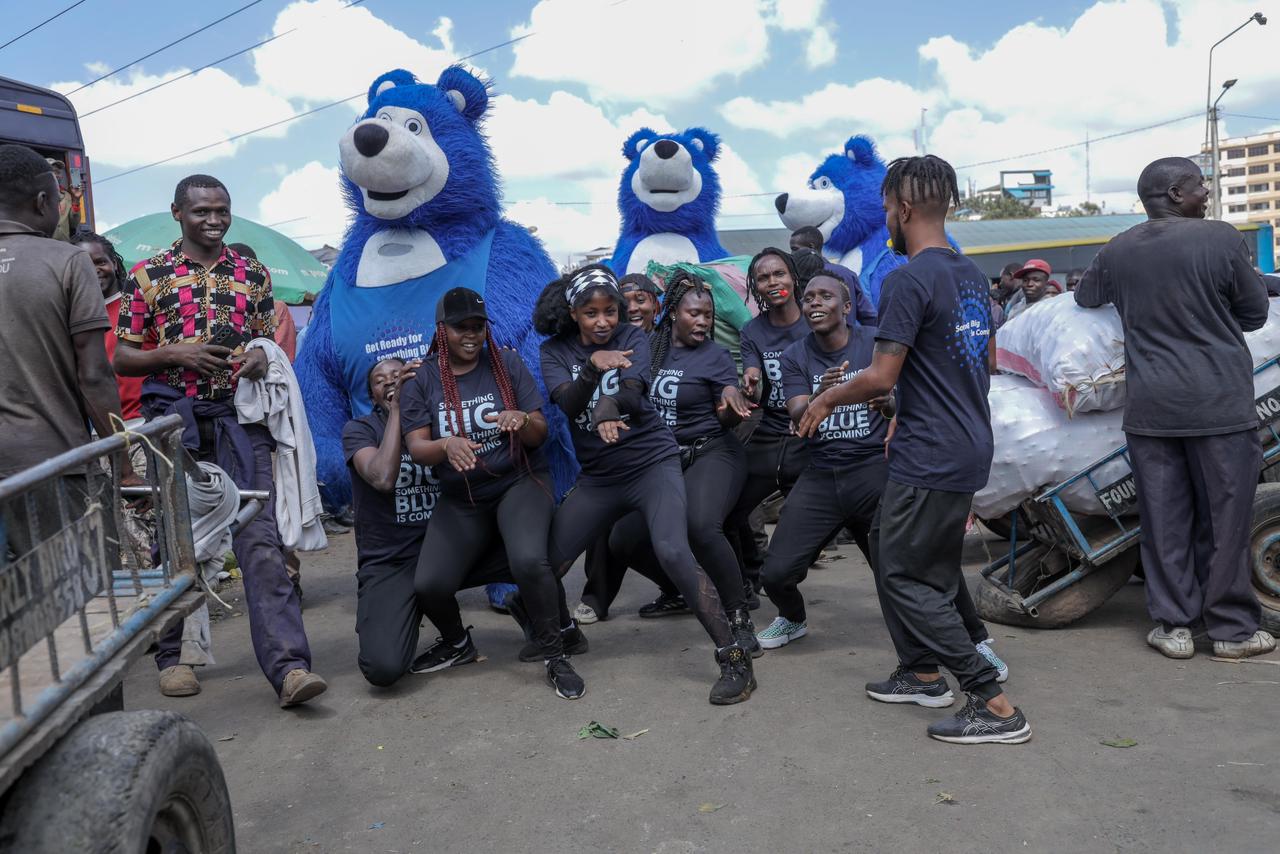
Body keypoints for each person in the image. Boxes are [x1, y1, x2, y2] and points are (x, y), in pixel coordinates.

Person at [800, 154, 1030, 744]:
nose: (886, 219)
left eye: (885, 209)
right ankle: (922, 669)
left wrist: (826, 401)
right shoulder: (971, 277)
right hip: (963, 443)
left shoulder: (906, 279)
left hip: (931, 453)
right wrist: (906, 408)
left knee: (904, 575)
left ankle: (991, 700)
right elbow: (976, 367)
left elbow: (879, 374)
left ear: (902, 210)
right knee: (897, 548)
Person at [114, 174, 326, 708]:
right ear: (177, 213)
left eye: (222, 210)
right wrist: (173, 354)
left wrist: (258, 357)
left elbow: (259, 340)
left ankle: (290, 667)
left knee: (261, 542)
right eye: (202, 211)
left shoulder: (251, 273)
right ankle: (175, 658)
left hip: (238, 420)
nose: (213, 220)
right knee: (178, 540)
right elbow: (121, 356)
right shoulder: (149, 276)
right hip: (174, 423)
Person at [1076, 156, 1275, 661]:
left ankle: (1174, 627)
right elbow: (1254, 313)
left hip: (1152, 412)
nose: (1205, 194)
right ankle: (1230, 630)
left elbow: (1085, 296)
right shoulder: (1221, 238)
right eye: (1198, 186)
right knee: (1227, 519)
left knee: (1164, 519)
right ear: (1171, 193)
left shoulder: (1118, 249)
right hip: (1220, 406)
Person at [535, 264, 755, 704]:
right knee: (543, 565)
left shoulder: (633, 337)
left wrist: (611, 403)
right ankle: (561, 644)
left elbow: (635, 391)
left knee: (674, 549)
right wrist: (591, 372)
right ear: (573, 313)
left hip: (651, 463)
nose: (603, 322)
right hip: (599, 477)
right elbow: (566, 402)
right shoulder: (554, 351)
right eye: (591, 313)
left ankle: (734, 659)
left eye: (609, 312)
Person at [400, 287, 584, 699]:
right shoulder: (422, 378)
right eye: (460, 327)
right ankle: (457, 643)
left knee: (528, 561)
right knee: (430, 583)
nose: (470, 335)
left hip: (518, 481)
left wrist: (522, 419)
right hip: (463, 495)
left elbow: (541, 433)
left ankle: (557, 654)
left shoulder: (507, 363)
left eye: (477, 326)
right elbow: (417, 448)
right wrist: (446, 445)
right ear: (441, 329)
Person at [590, 272, 757, 649]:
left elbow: (726, 402)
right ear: (672, 313)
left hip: (711, 451)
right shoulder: (648, 348)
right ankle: (684, 589)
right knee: (624, 539)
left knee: (701, 525)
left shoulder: (713, 355)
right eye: (694, 313)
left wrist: (732, 406)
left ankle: (738, 614)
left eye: (708, 316)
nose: (702, 321)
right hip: (663, 459)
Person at [0, 145, 132, 549]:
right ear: (43, 202)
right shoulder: (68, 262)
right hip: (53, 464)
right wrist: (123, 465)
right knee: (85, 600)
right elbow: (94, 374)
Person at [755, 273, 889, 648]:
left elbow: (902, 394)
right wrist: (821, 392)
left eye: (825, 296)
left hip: (874, 469)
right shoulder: (794, 355)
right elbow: (798, 415)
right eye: (809, 297)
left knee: (901, 569)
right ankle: (792, 618)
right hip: (821, 475)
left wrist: (892, 405)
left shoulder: (876, 343)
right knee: (776, 573)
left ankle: (966, 637)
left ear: (846, 307)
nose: (814, 302)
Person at [574, 272, 673, 624]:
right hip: (615, 446)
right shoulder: (597, 344)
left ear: (656, 305)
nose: (632, 307)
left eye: (640, 300)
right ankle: (597, 594)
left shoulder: (669, 342)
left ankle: (686, 585)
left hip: (665, 452)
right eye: (625, 301)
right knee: (601, 510)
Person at [726, 249, 810, 598]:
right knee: (730, 508)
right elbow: (752, 368)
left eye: (779, 274)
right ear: (755, 286)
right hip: (771, 431)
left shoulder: (813, 319)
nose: (773, 282)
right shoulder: (752, 330)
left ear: (792, 278)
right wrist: (750, 379)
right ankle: (750, 575)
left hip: (811, 435)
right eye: (764, 277)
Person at [71, 231, 143, 423]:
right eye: (84, 265)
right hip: (98, 427)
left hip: (142, 420)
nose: (94, 270)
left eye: (100, 262)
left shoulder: (137, 305)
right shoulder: (71, 319)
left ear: (115, 264)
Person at [789, 225, 877, 325]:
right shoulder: (846, 273)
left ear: (811, 247)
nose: (792, 253)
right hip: (849, 338)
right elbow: (868, 316)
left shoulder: (797, 276)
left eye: (795, 249)